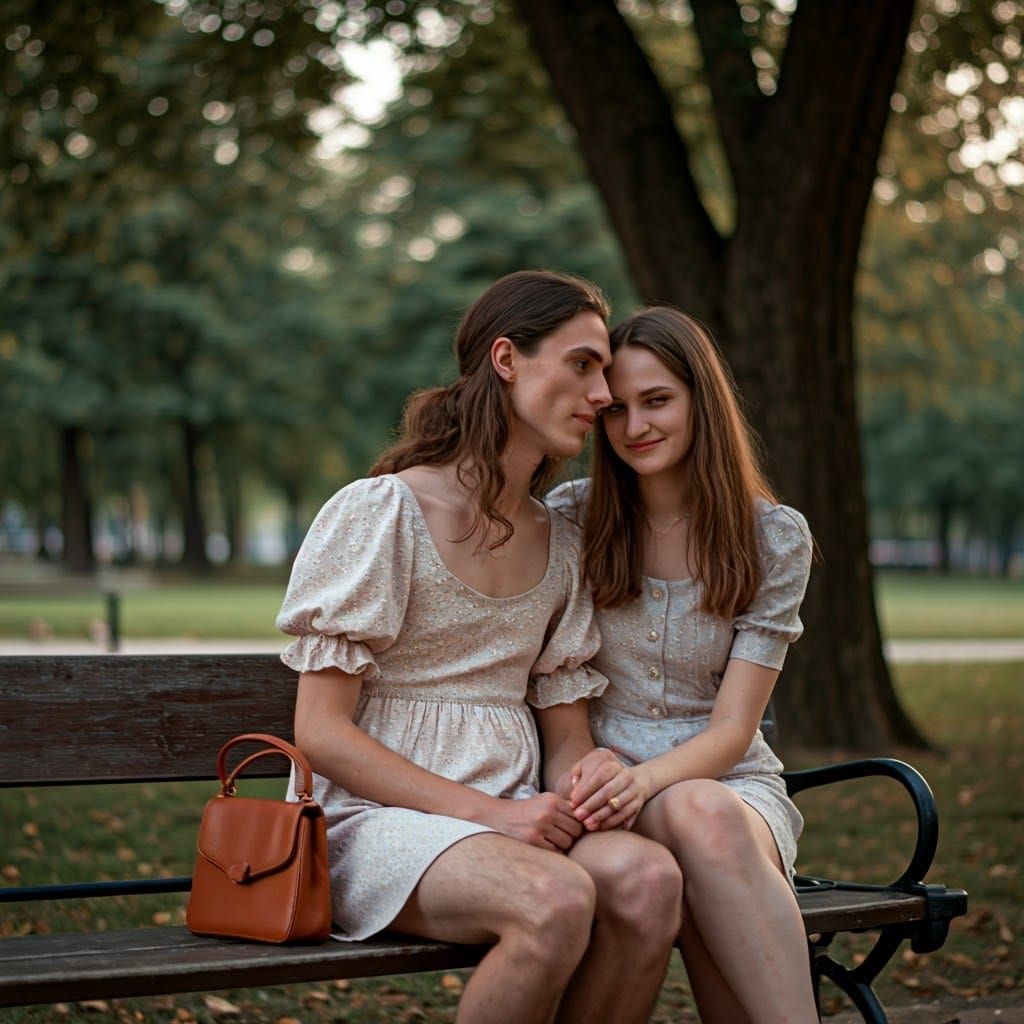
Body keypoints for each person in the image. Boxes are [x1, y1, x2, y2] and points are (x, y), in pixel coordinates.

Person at [276, 272, 681, 1024]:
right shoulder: (385, 513)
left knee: (649, 881)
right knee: (555, 898)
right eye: (583, 364)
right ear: (506, 360)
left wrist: (586, 774)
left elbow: (564, 737)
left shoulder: (562, 542)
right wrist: (488, 817)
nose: (603, 397)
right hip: (370, 822)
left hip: (516, 813)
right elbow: (321, 733)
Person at [547, 306, 818, 1024]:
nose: (634, 426)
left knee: (702, 812)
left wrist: (649, 781)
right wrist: (614, 779)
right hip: (603, 793)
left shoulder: (773, 537)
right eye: (617, 410)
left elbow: (733, 731)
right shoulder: (572, 519)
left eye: (658, 400)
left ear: (702, 398)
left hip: (729, 789)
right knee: (694, 828)